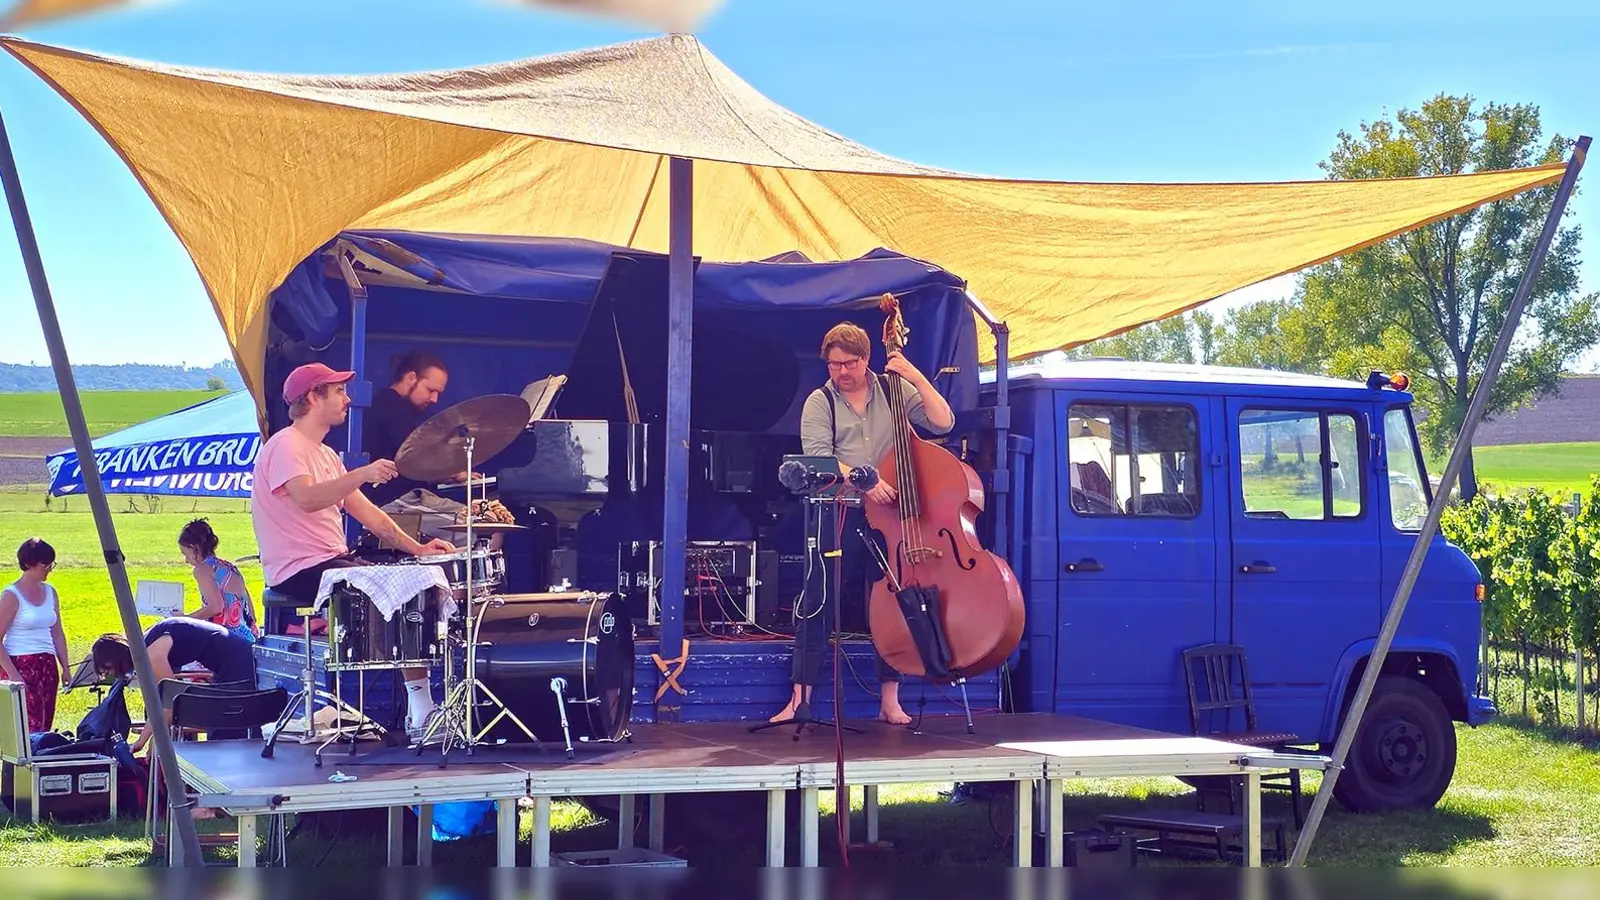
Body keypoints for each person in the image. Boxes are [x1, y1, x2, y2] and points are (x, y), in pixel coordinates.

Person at [251, 361, 456, 740]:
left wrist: (417, 548)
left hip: (330, 562)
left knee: (415, 578)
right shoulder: (286, 445)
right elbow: (308, 498)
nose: (348, 400)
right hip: (300, 569)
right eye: (339, 392)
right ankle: (421, 712)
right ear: (314, 397)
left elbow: (370, 515)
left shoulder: (326, 455)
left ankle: (419, 709)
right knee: (404, 588)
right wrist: (361, 473)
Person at [769, 322, 955, 726]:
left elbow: (943, 423)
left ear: (866, 359)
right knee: (818, 600)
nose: (840, 372)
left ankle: (890, 700)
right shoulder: (820, 401)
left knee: (893, 601)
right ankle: (799, 700)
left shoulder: (892, 389)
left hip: (891, 516)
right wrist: (865, 480)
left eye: (848, 363)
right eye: (833, 365)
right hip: (841, 510)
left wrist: (916, 377)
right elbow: (818, 456)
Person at [361, 350, 501, 551]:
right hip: (393, 500)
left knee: (490, 521)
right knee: (483, 529)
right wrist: (453, 473)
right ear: (411, 378)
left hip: (411, 496)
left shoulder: (396, 407)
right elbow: (417, 459)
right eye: (431, 390)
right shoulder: (389, 406)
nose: (435, 399)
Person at [91, 620, 257, 748]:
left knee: (225, 730)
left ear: (118, 657)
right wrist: (146, 741)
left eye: (109, 668)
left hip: (238, 663)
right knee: (227, 726)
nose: (112, 674)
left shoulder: (152, 656)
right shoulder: (148, 642)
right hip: (232, 662)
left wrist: (149, 743)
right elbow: (162, 703)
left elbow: (171, 702)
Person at [0, 538, 71, 734]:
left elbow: (57, 633)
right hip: (21, 663)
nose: (49, 569)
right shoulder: (11, 596)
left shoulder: (51, 592)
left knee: (43, 726)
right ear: (28, 564)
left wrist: (65, 667)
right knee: (24, 729)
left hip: (47, 665)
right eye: (45, 564)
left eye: (51, 564)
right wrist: (13, 675)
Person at [178, 518, 258, 644]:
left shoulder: (202, 570)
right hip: (248, 637)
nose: (186, 561)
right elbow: (251, 613)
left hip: (227, 641)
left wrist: (185, 619)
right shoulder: (230, 567)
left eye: (185, 554)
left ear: (193, 549)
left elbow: (216, 607)